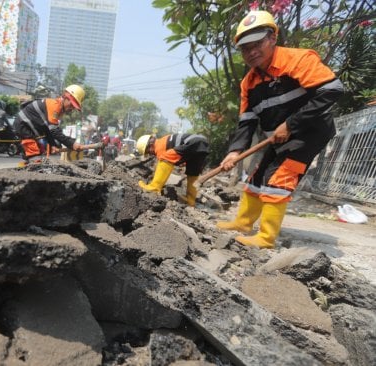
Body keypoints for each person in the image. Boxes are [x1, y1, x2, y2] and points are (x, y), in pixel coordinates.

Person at [216, 10, 344, 249]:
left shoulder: (297, 59)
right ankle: (243, 223)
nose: (252, 52)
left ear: (272, 38)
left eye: (257, 44)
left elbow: (333, 89)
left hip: (309, 132)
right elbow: (247, 121)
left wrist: (291, 124)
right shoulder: (249, 83)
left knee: (279, 178)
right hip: (277, 138)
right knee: (258, 176)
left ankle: (265, 238)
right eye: (245, 48)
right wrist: (234, 151)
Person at [13, 85, 85, 165]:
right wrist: (72, 144)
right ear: (65, 97)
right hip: (23, 126)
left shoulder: (58, 108)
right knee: (35, 157)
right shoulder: (55, 106)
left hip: (26, 127)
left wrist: (53, 144)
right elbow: (54, 131)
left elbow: (47, 130)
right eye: (71, 105)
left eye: (74, 107)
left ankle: (23, 169)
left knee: (38, 153)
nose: (72, 108)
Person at [136, 133, 209, 207]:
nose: (150, 154)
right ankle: (191, 201)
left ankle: (154, 187)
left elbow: (165, 163)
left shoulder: (159, 145)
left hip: (193, 141)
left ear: (151, 145)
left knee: (165, 158)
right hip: (202, 143)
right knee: (193, 174)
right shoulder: (164, 141)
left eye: (148, 152)